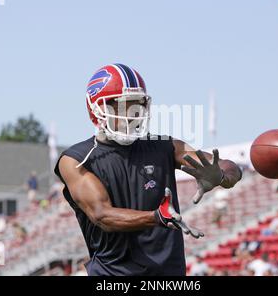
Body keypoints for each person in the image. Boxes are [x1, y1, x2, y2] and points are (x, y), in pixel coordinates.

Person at [53, 64, 242, 276]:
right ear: (98, 109)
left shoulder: (163, 146)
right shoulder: (76, 159)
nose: (133, 114)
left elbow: (228, 165)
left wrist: (222, 175)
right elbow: (102, 215)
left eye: (137, 105)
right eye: (124, 106)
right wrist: (156, 217)